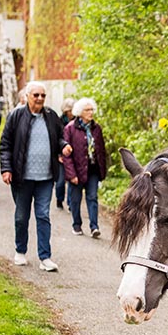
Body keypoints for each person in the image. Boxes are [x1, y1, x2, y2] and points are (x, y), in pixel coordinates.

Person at [0, 81, 69, 272]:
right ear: (27, 96)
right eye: (36, 95)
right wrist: (6, 169)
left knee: (43, 215)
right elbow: (5, 144)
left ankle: (45, 257)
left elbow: (59, 136)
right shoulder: (16, 116)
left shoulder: (51, 116)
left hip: (45, 177)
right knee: (22, 216)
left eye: (42, 95)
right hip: (22, 177)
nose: (39, 98)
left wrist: (64, 146)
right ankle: (20, 251)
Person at [61, 97, 107, 238]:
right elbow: (66, 155)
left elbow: (101, 150)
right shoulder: (70, 128)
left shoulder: (96, 128)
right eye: (87, 110)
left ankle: (94, 227)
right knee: (75, 199)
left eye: (92, 109)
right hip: (76, 169)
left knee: (92, 197)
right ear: (80, 112)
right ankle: (77, 225)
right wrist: (71, 174)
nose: (91, 112)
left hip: (92, 169)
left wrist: (102, 171)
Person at [54, 97, 75, 210]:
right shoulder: (59, 121)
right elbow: (56, 139)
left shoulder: (77, 122)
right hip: (62, 157)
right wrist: (58, 155)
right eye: (70, 110)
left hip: (73, 157)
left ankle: (70, 203)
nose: (72, 113)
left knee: (72, 181)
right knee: (61, 182)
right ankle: (59, 199)